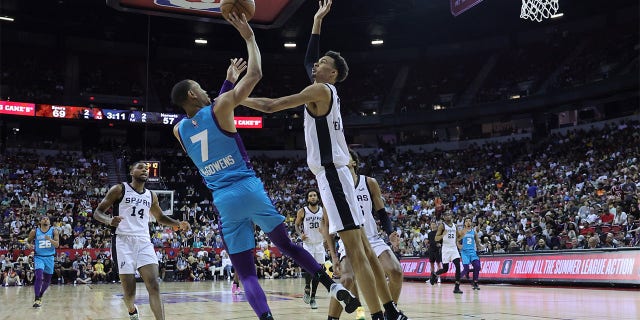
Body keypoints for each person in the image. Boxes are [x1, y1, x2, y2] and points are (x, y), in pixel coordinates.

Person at [170, 12, 359, 320]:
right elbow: (252, 77)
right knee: (287, 246)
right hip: (249, 187)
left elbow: (213, 115)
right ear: (193, 94)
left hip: (223, 200)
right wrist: (249, 38)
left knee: (247, 275)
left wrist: (226, 85)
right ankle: (332, 286)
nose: (207, 91)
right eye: (200, 89)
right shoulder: (218, 106)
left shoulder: (178, 130)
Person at [242, 1, 408, 319]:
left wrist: (236, 98)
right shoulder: (325, 88)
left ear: (331, 72)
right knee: (362, 246)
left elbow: (273, 104)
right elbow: (308, 58)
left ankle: (379, 316)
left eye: (321, 64)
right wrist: (317, 21)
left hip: (332, 175)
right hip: (335, 175)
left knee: (357, 253)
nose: (314, 65)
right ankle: (390, 311)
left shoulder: (320, 90)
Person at [93, 162, 191, 320]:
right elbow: (97, 212)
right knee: (129, 292)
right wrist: (109, 220)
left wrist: (178, 224)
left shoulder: (151, 195)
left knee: (154, 285)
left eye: (146, 169)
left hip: (144, 241)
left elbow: (160, 217)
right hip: (123, 241)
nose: (145, 170)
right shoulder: (119, 189)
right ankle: (132, 310)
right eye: (140, 167)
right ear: (131, 171)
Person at [323, 149, 405, 320]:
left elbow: (381, 212)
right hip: (349, 242)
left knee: (396, 271)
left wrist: (390, 232)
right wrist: (334, 255)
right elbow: (326, 224)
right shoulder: (333, 186)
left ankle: (391, 311)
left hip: (373, 239)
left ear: (354, 163)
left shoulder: (369, 182)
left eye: (346, 157)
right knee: (346, 280)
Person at [295, 189, 325, 309]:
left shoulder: (323, 211)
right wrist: (299, 234)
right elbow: (296, 225)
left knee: (318, 271)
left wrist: (326, 232)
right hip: (308, 243)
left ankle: (313, 297)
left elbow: (327, 224)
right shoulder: (303, 211)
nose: (312, 197)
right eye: (310, 196)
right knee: (309, 267)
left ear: (317, 198)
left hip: (319, 243)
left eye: (314, 195)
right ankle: (307, 286)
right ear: (307, 199)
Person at [27, 215, 59, 308]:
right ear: (40, 222)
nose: (45, 220)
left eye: (47, 219)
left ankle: (40, 295)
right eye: (43, 219)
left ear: (49, 222)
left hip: (50, 257)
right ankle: (36, 298)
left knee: (47, 280)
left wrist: (50, 239)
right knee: (39, 277)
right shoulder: (34, 231)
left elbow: (57, 245)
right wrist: (28, 245)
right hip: (39, 257)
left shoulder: (54, 231)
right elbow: (28, 241)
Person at [430, 211, 463, 294]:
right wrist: (442, 235)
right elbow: (436, 238)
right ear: (444, 217)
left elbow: (457, 237)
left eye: (449, 215)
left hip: (454, 249)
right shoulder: (442, 226)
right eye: (446, 215)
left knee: (458, 267)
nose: (448, 216)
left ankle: (457, 287)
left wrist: (459, 242)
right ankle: (435, 274)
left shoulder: (455, 225)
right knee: (445, 269)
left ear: (451, 216)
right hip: (446, 249)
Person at [459, 218, 482, 290]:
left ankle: (475, 282)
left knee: (477, 266)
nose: (468, 222)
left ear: (471, 223)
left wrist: (479, 247)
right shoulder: (462, 231)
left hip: (472, 252)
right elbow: (457, 240)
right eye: (466, 221)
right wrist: (458, 245)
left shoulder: (474, 232)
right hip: (464, 252)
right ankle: (457, 280)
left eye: (469, 221)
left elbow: (477, 241)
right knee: (466, 268)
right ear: (464, 223)